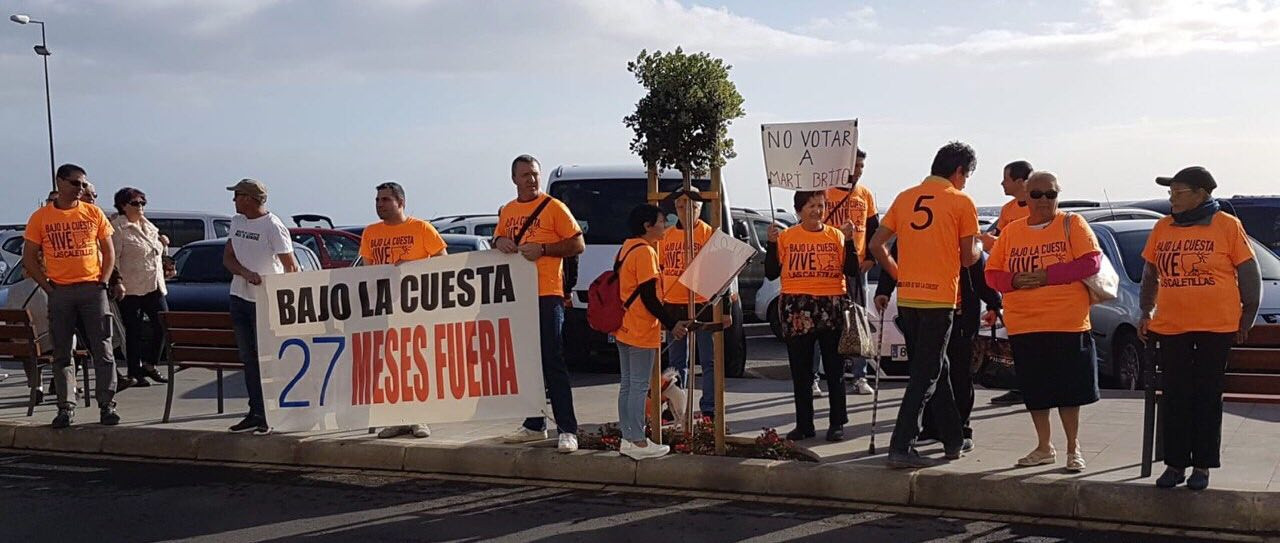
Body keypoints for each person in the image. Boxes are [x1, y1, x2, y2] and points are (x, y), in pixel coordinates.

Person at [1140, 166, 1261, 491]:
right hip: (1171, 327)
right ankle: (1175, 465)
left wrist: (1246, 317)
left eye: (1179, 192)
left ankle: (1202, 466)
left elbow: (1250, 275)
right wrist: (1145, 311)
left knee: (1207, 397)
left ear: (1202, 194)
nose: (1172, 198)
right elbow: (1152, 274)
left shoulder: (1226, 226)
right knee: (1176, 397)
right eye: (1171, 193)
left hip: (1215, 328)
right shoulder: (1162, 227)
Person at [869, 141, 982, 468]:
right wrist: (978, 246)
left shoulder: (905, 197)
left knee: (937, 367)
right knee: (926, 372)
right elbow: (967, 257)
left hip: (908, 298)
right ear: (958, 171)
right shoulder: (961, 202)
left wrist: (897, 272)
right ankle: (901, 444)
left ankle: (953, 439)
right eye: (966, 176)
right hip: (939, 298)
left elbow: (877, 244)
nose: (965, 182)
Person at [985, 171, 1101, 473]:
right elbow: (992, 273)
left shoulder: (1072, 223)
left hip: (1068, 322)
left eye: (1051, 194)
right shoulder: (1012, 231)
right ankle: (1043, 445)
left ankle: (1073, 447)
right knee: (1036, 391)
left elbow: (1092, 261)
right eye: (1037, 195)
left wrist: (1047, 276)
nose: (1044, 201)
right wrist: (1014, 280)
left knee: (1069, 391)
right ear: (1026, 197)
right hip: (1025, 324)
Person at [495, 154, 585, 453]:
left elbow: (577, 243)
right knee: (527, 364)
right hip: (518, 296)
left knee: (552, 360)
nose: (531, 179)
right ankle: (534, 424)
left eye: (534, 174)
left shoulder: (554, 207)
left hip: (547, 293)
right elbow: (499, 239)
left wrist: (544, 248)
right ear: (514, 179)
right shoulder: (508, 211)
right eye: (525, 175)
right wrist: (499, 243)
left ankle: (568, 429)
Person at [22, 164, 120, 428]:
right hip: (60, 290)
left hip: (92, 288)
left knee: (103, 349)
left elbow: (108, 251)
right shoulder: (41, 217)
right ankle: (65, 406)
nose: (81, 189)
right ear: (60, 182)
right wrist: (48, 286)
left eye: (84, 185)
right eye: (75, 183)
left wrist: (103, 281)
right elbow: (29, 257)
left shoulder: (93, 213)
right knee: (62, 352)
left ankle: (107, 403)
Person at [876, 245, 1001, 445]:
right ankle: (932, 427)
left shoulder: (961, 234)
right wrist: (883, 290)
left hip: (959, 313)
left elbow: (978, 270)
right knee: (928, 373)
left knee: (959, 374)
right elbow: (894, 260)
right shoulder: (912, 229)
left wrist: (993, 303)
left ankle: (961, 428)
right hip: (921, 312)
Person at [765, 190, 860, 442]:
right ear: (799, 210)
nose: (817, 210)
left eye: (820, 205)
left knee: (834, 368)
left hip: (830, 305)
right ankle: (804, 424)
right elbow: (771, 272)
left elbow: (851, 270)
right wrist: (771, 243)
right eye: (811, 206)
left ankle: (837, 422)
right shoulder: (787, 237)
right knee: (801, 371)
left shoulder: (836, 235)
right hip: (796, 306)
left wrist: (849, 241)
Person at [359, 182, 447, 439]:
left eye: (385, 200)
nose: (379, 205)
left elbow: (443, 260)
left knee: (416, 362)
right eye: (377, 200)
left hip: (415, 308)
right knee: (390, 364)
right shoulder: (370, 233)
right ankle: (396, 417)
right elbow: (366, 268)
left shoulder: (420, 228)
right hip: (383, 309)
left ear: (401, 202)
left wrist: (412, 267)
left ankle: (420, 418)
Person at [616, 204, 692, 459]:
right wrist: (673, 324)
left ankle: (628, 438)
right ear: (648, 226)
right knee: (638, 386)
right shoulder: (645, 253)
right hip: (640, 328)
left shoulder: (626, 247)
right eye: (662, 221)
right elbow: (650, 298)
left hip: (624, 326)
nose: (666, 226)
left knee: (627, 385)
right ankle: (638, 441)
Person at [223, 179, 299, 435]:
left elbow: (291, 265)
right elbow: (228, 257)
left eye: (238, 195)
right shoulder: (237, 222)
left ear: (250, 198)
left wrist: (284, 296)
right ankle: (255, 410)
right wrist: (245, 273)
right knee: (248, 358)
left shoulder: (272, 225)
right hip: (239, 296)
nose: (234, 200)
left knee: (268, 358)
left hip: (265, 300)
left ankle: (272, 412)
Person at [659, 188, 725, 421]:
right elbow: (660, 269)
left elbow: (722, 272)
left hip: (702, 302)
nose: (686, 211)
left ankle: (709, 407)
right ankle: (676, 406)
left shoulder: (709, 234)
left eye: (693, 207)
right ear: (675, 208)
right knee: (676, 361)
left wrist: (725, 308)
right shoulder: (666, 236)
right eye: (680, 206)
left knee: (709, 360)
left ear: (700, 208)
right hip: (673, 303)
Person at [820, 148, 878, 396]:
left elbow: (874, 228)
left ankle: (860, 375)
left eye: (862, 167)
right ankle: (817, 376)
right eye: (855, 166)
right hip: (829, 268)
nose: (858, 171)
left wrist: (872, 259)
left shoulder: (865, 194)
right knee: (824, 323)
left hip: (857, 269)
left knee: (858, 321)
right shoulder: (825, 192)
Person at [981, 160, 1033, 406]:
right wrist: (990, 242)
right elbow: (1000, 241)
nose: (1002, 183)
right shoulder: (1008, 209)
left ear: (1021, 181)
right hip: (1012, 286)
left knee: (1037, 340)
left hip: (1035, 284)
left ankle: (1037, 388)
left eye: (1006, 178)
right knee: (1016, 339)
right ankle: (1020, 386)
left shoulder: (1037, 207)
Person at [109, 187, 171, 387]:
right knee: (133, 331)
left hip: (154, 285)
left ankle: (150, 364)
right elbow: (113, 259)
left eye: (143, 202)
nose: (140, 207)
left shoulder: (149, 226)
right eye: (135, 203)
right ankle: (135, 370)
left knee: (163, 324)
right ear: (123, 206)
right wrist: (116, 282)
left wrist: (164, 248)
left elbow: (155, 252)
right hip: (131, 287)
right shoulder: (118, 228)